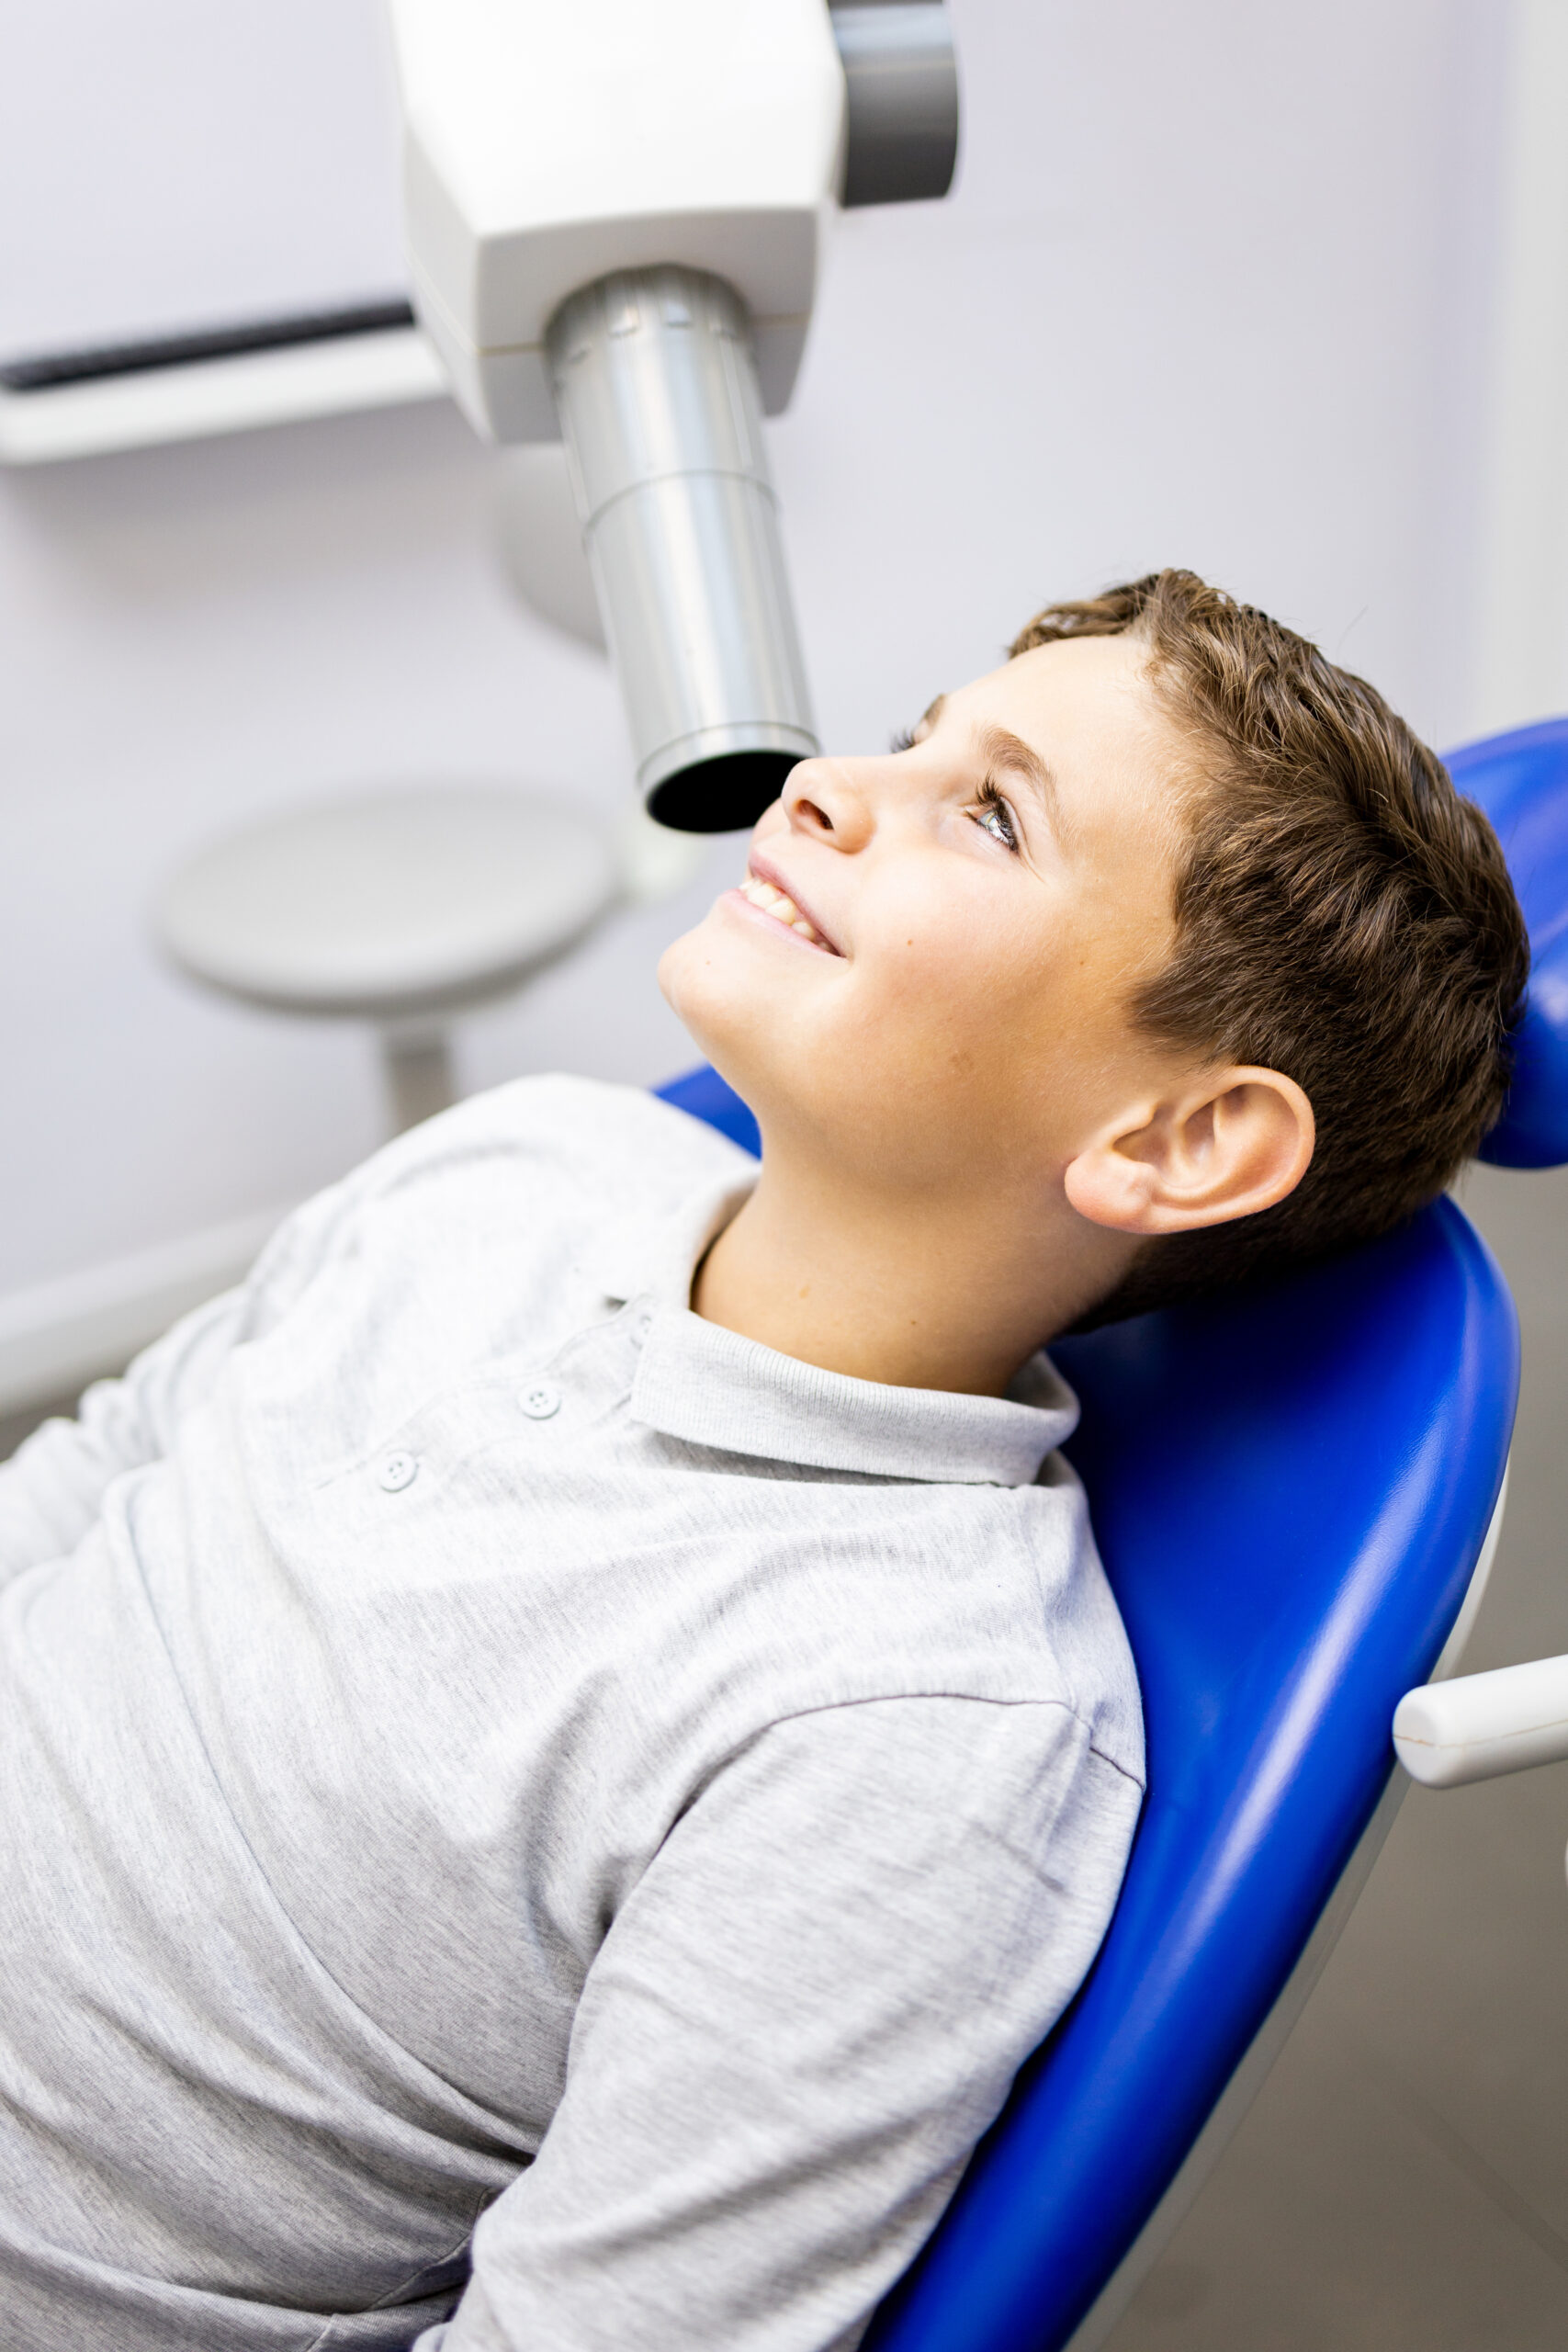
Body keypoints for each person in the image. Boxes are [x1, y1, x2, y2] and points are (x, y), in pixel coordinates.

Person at [0, 572, 1527, 2352]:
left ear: (1176, 1137)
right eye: (907, 737)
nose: (823, 783)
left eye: (986, 812)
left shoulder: (898, 1733)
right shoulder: (517, 1161)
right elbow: (102, 1468)